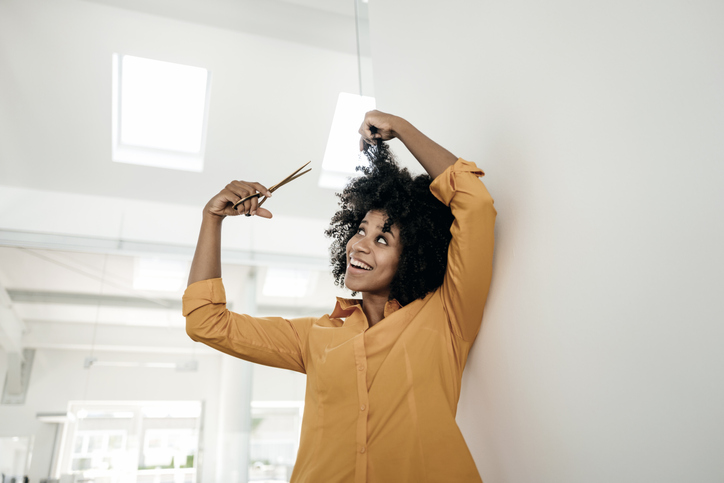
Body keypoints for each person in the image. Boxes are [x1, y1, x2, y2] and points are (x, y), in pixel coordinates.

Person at [183, 110, 496, 482]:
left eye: (382, 239)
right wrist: (211, 219)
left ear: (414, 256)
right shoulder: (314, 336)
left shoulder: (447, 315)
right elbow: (206, 322)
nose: (360, 246)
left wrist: (401, 128)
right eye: (361, 230)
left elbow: (474, 205)